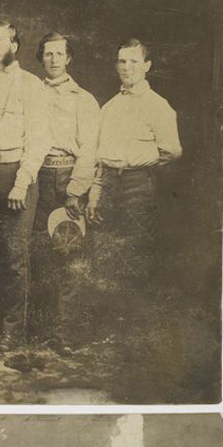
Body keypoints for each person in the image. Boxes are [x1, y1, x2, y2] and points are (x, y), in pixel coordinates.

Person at [0, 21, 51, 349]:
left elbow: (39, 138)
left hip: (16, 176)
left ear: (15, 45)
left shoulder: (32, 85)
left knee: (15, 257)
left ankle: (12, 331)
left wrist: (22, 183)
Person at [86, 38, 182, 284]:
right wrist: (96, 192)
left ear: (147, 66)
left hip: (138, 186)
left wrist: (139, 166)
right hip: (107, 184)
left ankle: (129, 318)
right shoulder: (108, 108)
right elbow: (100, 156)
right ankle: (106, 316)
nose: (127, 67)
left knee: (134, 254)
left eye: (134, 61)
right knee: (103, 253)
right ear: (116, 66)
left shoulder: (159, 107)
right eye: (122, 61)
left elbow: (171, 152)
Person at [31, 32, 100, 349]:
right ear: (41, 57)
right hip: (35, 177)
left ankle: (64, 333)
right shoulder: (30, 93)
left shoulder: (83, 99)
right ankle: (39, 330)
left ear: (69, 58)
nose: (53, 59)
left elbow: (90, 150)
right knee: (38, 253)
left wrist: (75, 190)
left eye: (59, 54)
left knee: (69, 254)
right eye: (47, 54)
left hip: (67, 179)